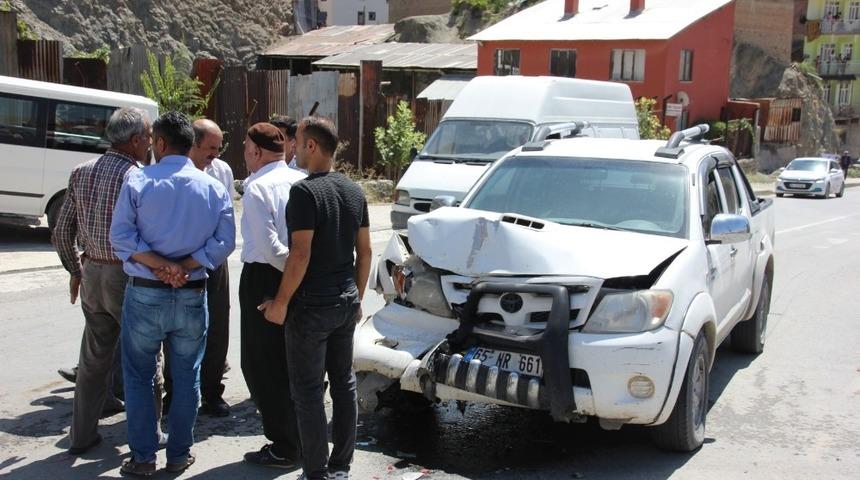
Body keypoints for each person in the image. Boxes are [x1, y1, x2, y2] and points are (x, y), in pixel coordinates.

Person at [110, 111, 235, 476]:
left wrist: (160, 266)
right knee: (187, 375)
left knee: (138, 376)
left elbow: (121, 238)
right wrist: (183, 267)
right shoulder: (212, 186)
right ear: (190, 145)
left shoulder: (138, 181)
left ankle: (144, 458)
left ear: (160, 144)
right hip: (192, 293)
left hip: (146, 293)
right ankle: (179, 454)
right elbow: (224, 242)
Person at [261, 116, 372, 480]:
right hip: (344, 300)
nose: (293, 150)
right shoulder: (355, 191)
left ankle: (315, 472)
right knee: (344, 384)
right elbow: (365, 251)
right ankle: (340, 466)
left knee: (308, 392)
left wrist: (279, 303)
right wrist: (357, 298)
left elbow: (300, 255)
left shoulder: (304, 193)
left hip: (312, 306)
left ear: (311, 146)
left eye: (297, 142)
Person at [52, 107, 152, 455]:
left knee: (94, 361)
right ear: (136, 140)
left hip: (92, 270)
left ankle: (81, 437)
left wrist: (75, 272)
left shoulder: (81, 172)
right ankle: (147, 438)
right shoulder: (139, 177)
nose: (151, 142)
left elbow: (62, 231)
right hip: (127, 275)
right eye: (149, 136)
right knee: (145, 358)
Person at [239, 122, 306, 468]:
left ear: (257, 152)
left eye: (246, 148)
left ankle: (285, 444)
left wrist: (292, 273)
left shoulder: (257, 187)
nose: (244, 154)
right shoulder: (301, 180)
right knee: (290, 360)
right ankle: (298, 436)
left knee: (262, 364)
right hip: (296, 272)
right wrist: (301, 273)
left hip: (266, 276)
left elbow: (270, 249)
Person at [162, 119, 234, 418]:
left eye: (219, 149)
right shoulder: (171, 173)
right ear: (192, 145)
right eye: (210, 149)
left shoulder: (222, 172)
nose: (214, 155)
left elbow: (225, 222)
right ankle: (174, 393)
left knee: (217, 326)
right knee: (176, 329)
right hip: (176, 261)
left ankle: (212, 392)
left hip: (213, 258)